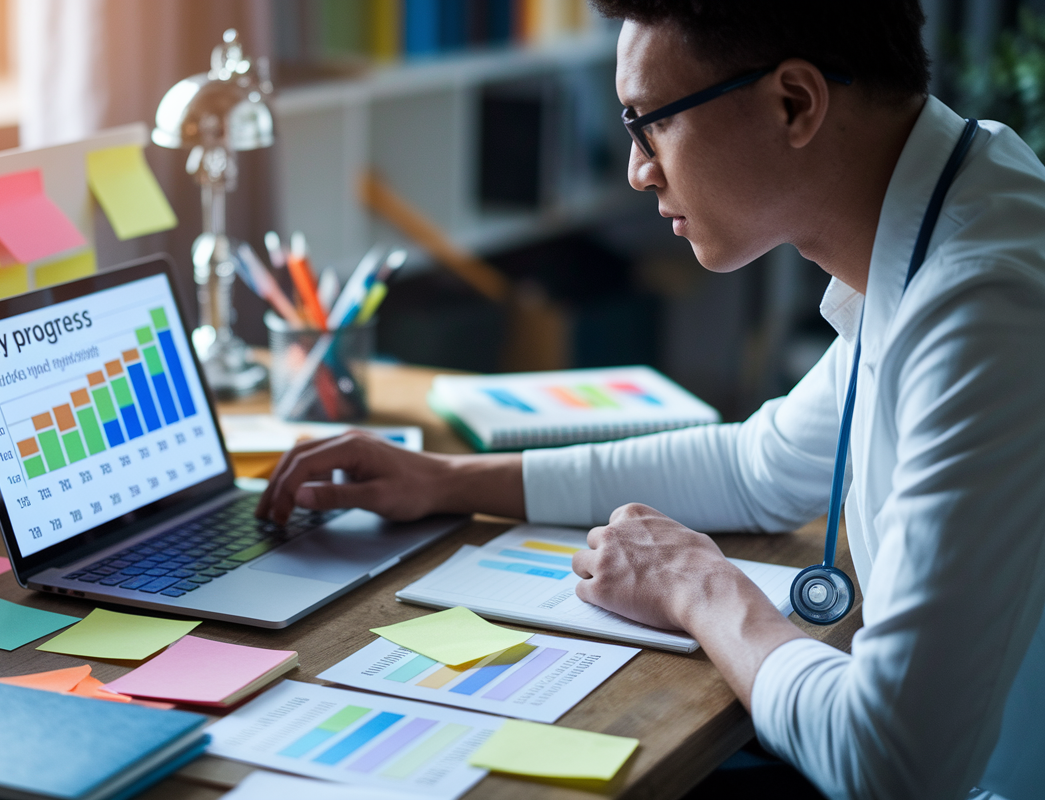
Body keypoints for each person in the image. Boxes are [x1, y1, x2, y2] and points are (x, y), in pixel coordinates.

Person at [256, 2, 1045, 798]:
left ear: (794, 104)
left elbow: (890, 763)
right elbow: (759, 467)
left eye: (650, 124)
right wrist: (446, 479)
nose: (639, 169)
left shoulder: (983, 308)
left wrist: (700, 587)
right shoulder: (958, 206)